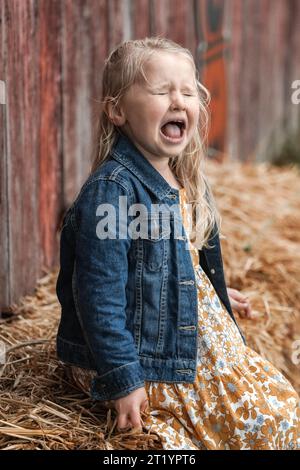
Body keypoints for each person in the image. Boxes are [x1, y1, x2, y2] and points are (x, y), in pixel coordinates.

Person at [56, 37, 299, 450]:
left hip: (171, 335)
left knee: (283, 407)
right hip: (141, 357)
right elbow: (99, 295)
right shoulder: (113, 192)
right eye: (160, 90)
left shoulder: (183, 177)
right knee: (256, 422)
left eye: (188, 91)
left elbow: (170, 261)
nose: (178, 100)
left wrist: (211, 297)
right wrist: (123, 379)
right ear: (117, 110)